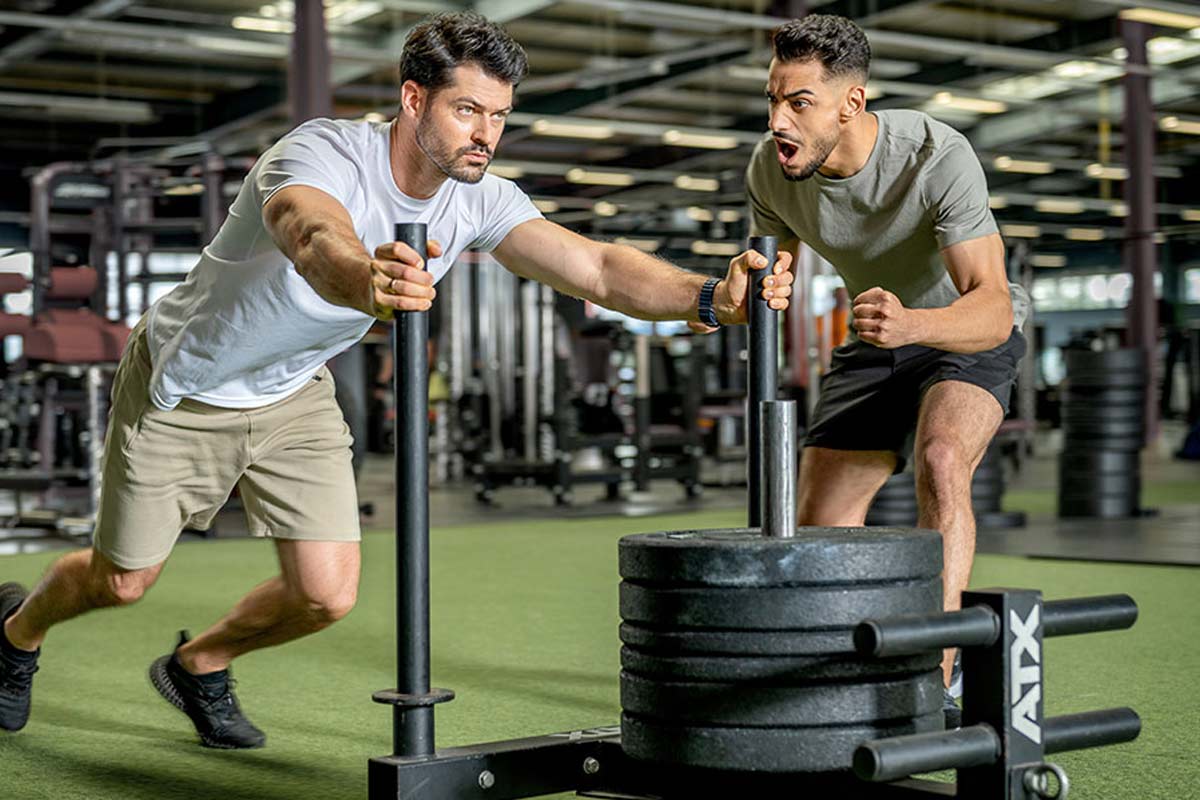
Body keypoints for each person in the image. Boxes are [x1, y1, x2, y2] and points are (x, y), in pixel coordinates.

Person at [0, 11, 793, 749]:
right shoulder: (318, 153)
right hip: (188, 385)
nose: (487, 135)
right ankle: (16, 634)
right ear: (414, 100)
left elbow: (594, 267)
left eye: (499, 116)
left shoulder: (477, 199)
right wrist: (366, 281)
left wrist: (706, 299)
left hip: (294, 392)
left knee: (326, 595)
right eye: (468, 111)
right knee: (123, 579)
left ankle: (197, 663)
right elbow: (312, 233)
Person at [742, 14, 1029, 727]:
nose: (779, 119)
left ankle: (937, 675)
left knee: (940, 460)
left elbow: (991, 307)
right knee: (818, 527)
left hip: (961, 328)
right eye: (773, 99)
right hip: (875, 337)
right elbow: (765, 272)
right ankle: (834, 678)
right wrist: (745, 285)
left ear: (852, 103)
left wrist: (915, 326)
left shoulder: (935, 154)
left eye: (798, 102)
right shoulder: (768, 173)